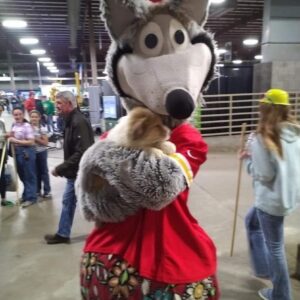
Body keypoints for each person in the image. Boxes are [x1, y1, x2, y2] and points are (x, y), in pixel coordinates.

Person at [240, 89, 300, 300]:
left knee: (275, 247)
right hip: (287, 196)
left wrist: (248, 160)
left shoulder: (263, 138)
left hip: (271, 200)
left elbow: (263, 174)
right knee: (251, 222)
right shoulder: (295, 131)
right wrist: (253, 154)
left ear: (265, 109)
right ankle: (263, 268)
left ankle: (281, 295)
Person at [44, 91, 94, 244]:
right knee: (70, 202)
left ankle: (64, 233)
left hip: (82, 173)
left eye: (59, 103)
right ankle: (63, 233)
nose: (56, 106)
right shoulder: (69, 120)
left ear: (69, 104)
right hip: (75, 172)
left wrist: (61, 168)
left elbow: (82, 151)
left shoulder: (78, 122)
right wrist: (65, 169)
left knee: (91, 203)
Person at [7, 107, 37, 208]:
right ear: (13, 116)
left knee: (29, 176)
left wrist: (16, 141)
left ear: (23, 115)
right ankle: (26, 195)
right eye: (15, 115)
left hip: (27, 153)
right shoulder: (14, 125)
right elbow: (12, 137)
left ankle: (31, 198)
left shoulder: (27, 126)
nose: (18, 116)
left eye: (20, 114)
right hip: (18, 153)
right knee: (23, 176)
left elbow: (31, 142)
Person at [29, 110, 51, 199]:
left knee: (44, 172)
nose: (34, 118)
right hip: (32, 153)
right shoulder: (28, 128)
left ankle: (47, 191)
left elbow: (45, 142)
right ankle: (37, 191)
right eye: (32, 117)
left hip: (41, 153)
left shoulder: (42, 129)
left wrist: (35, 138)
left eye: (35, 117)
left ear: (39, 118)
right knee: (36, 172)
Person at [0, 104, 12, 206]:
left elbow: (4, 135)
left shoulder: (2, 121)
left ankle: (3, 198)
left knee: (2, 175)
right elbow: (3, 135)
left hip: (1, 151)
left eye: (0, 110)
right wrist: (4, 135)